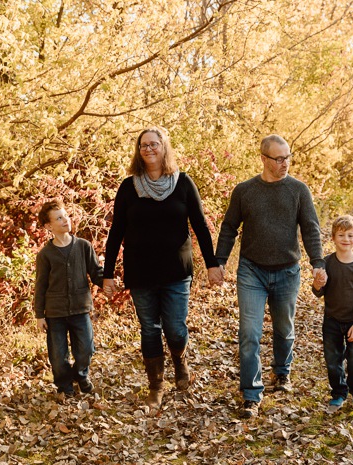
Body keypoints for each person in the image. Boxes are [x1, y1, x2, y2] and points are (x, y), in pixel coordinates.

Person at [103, 126, 223, 409]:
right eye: (143, 145)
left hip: (176, 270)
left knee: (175, 328)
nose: (148, 149)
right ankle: (156, 385)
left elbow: (200, 227)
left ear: (164, 147)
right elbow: (116, 231)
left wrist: (212, 264)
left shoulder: (183, 183)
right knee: (148, 329)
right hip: (141, 270)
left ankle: (180, 361)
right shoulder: (128, 187)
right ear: (138, 150)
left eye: (154, 144)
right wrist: (107, 274)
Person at [215, 134, 325, 419]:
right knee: (249, 333)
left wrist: (317, 262)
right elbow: (229, 228)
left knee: (284, 328)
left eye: (287, 157)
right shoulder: (245, 191)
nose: (284, 163)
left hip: (288, 270)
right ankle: (251, 395)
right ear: (263, 159)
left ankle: (282, 373)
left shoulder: (299, 190)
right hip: (252, 270)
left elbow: (311, 228)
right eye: (278, 158)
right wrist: (219, 262)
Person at [34, 199, 104, 398]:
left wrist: (108, 283)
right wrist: (40, 315)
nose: (66, 220)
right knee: (58, 355)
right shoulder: (45, 255)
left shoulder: (83, 246)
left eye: (65, 215)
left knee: (86, 349)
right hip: (55, 313)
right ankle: (65, 385)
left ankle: (81, 376)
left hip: (81, 308)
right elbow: (41, 286)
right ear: (48, 226)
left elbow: (96, 272)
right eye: (59, 218)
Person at [312, 215, 353, 412]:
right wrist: (317, 284)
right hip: (332, 322)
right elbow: (318, 292)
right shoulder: (326, 263)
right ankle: (338, 393)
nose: (346, 239)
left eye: (350, 235)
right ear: (333, 238)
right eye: (341, 235)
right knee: (333, 360)